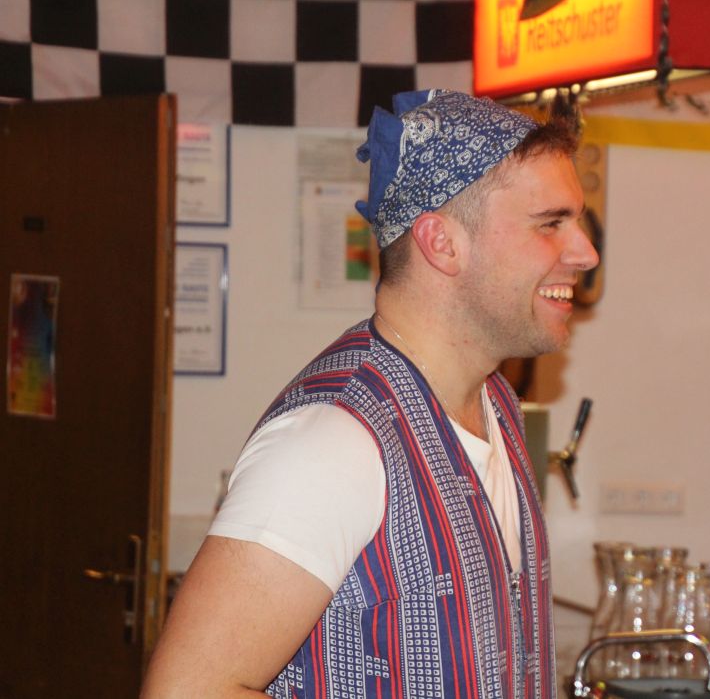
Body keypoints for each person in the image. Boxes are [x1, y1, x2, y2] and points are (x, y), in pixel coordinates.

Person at [142, 89, 599, 698]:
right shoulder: (332, 442)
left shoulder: (498, 407)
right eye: (550, 224)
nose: (585, 252)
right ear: (442, 243)